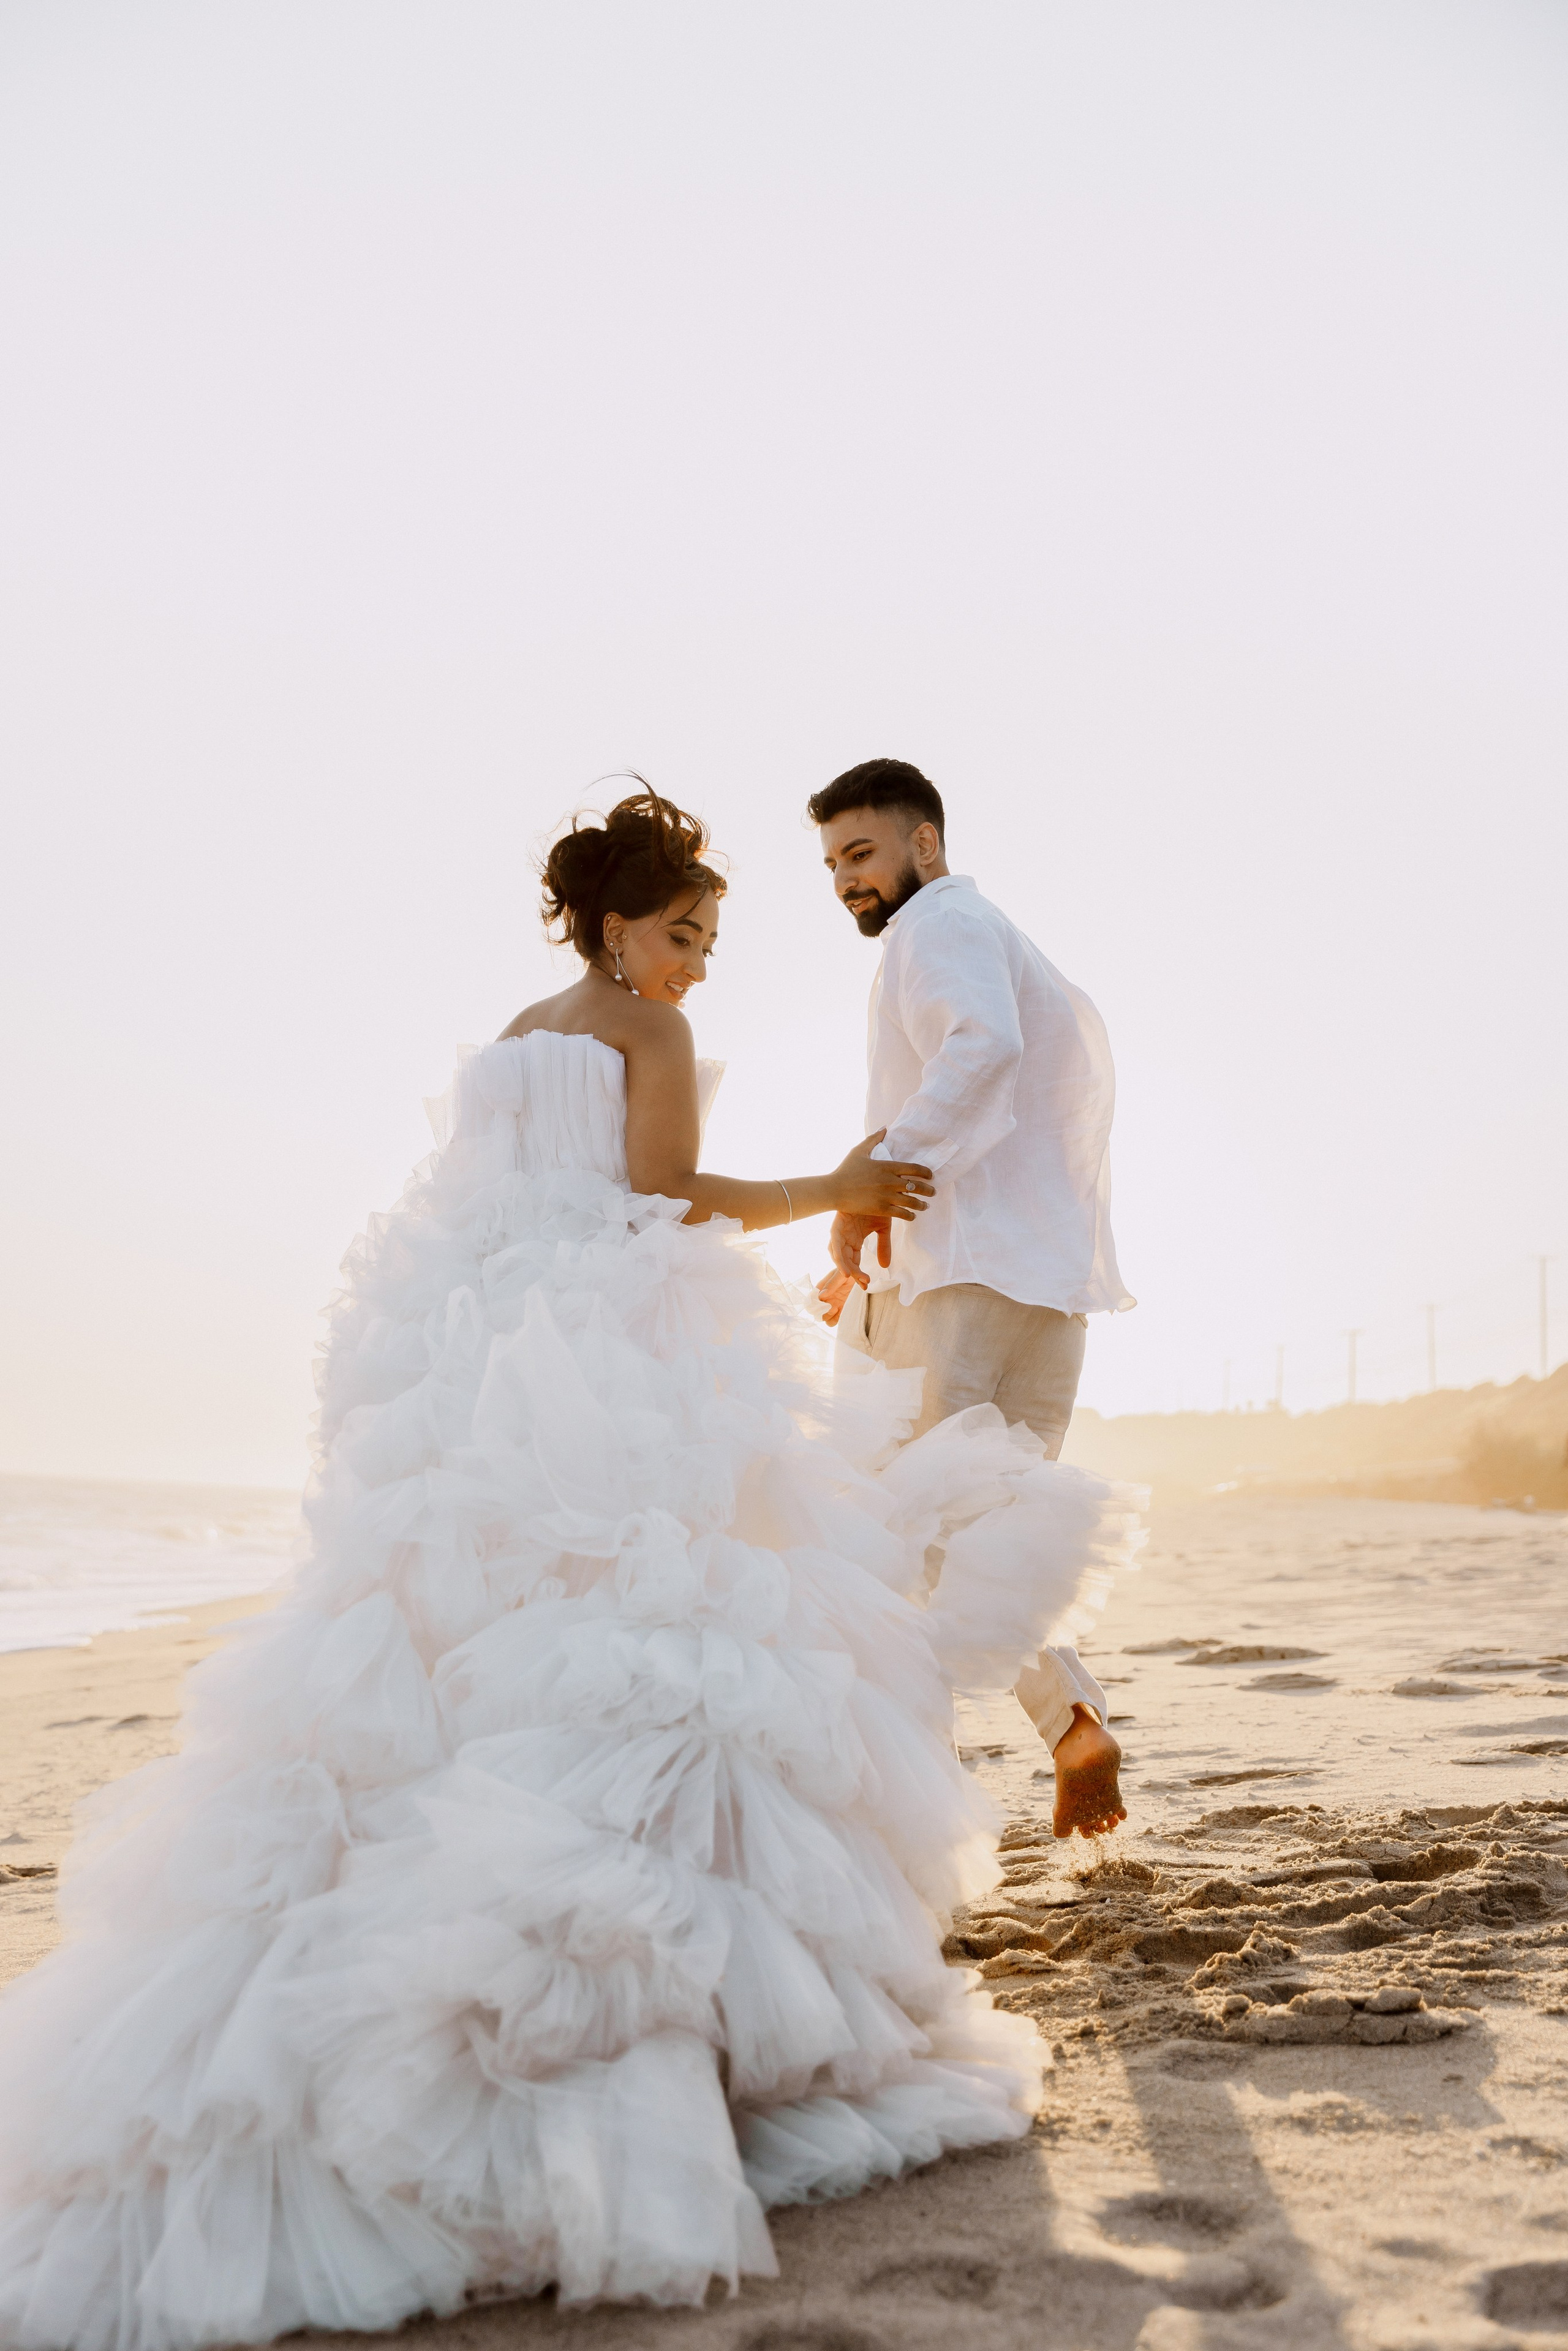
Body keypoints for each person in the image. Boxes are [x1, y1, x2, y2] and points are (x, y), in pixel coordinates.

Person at [0, 788, 1140, 2344]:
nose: (693, 971)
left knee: (479, 1637)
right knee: (665, 1627)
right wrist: (839, 1188)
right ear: (617, 923)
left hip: (479, 1379)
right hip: (611, 1354)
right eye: (682, 935)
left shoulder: (510, 1040)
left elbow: (491, 1213)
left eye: (710, 945)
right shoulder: (642, 1035)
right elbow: (659, 1197)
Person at [810, 758, 1137, 1840]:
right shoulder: (1003, 936)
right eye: (833, 864)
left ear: (927, 845)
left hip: (957, 1280)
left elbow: (979, 1044)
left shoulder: (937, 925)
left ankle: (922, 1817)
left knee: (888, 1532)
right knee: (991, 1531)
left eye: (862, 853)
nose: (848, 880)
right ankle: (1073, 1722)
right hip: (1045, 1290)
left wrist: (875, 1181)